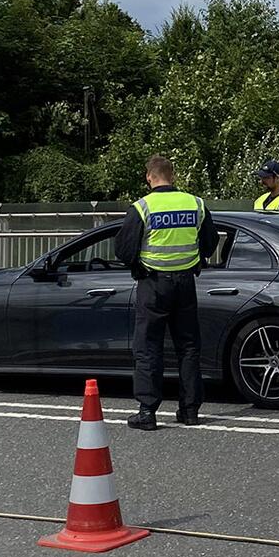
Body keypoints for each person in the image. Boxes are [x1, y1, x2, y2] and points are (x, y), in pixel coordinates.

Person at [113, 154, 219, 430]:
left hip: (153, 284)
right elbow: (210, 242)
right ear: (172, 175)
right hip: (185, 283)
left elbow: (123, 250)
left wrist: (138, 265)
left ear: (149, 176)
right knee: (188, 346)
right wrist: (194, 259)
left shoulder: (143, 207)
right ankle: (190, 410)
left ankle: (147, 412)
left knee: (148, 347)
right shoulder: (195, 204)